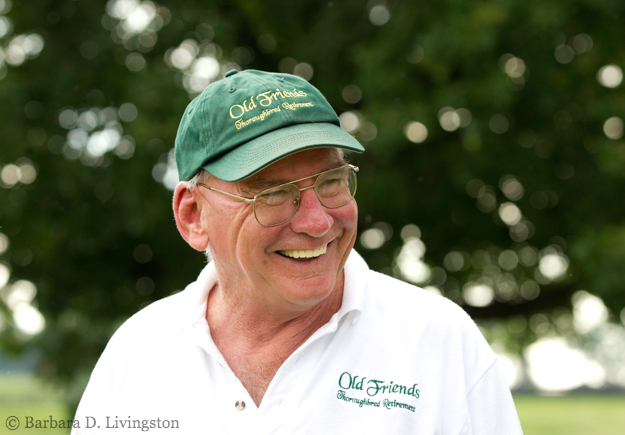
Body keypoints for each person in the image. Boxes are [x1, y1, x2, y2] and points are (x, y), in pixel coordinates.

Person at [73, 69, 523, 434]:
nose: (317, 222)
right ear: (193, 215)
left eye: (330, 182)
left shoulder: (439, 342)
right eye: (271, 193)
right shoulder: (138, 353)